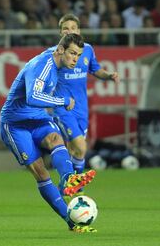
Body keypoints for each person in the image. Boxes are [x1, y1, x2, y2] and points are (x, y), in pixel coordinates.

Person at [0, 33, 96, 233]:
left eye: (78, 55)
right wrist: (62, 101)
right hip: (15, 124)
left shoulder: (58, 63)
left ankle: (69, 178)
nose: (75, 59)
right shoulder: (42, 65)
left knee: (55, 138)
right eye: (72, 53)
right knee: (41, 172)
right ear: (60, 50)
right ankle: (72, 222)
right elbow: (33, 96)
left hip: (38, 118)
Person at [49, 14, 119, 197]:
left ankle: (66, 187)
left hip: (81, 108)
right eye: (66, 28)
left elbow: (96, 70)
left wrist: (109, 75)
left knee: (75, 150)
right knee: (81, 146)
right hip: (64, 108)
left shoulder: (87, 50)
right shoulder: (55, 53)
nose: (69, 31)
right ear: (60, 32)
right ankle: (76, 185)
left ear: (79, 31)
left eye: (73, 28)